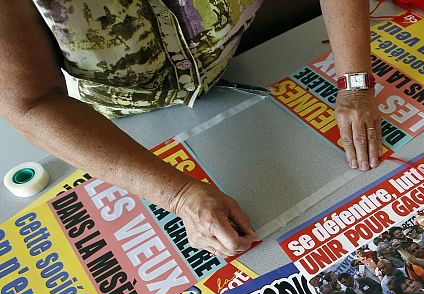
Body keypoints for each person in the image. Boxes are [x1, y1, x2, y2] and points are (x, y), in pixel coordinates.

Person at [1, 0, 381, 257]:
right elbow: (31, 103)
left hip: (236, 70)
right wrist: (179, 195)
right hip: (115, 125)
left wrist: (355, 83)